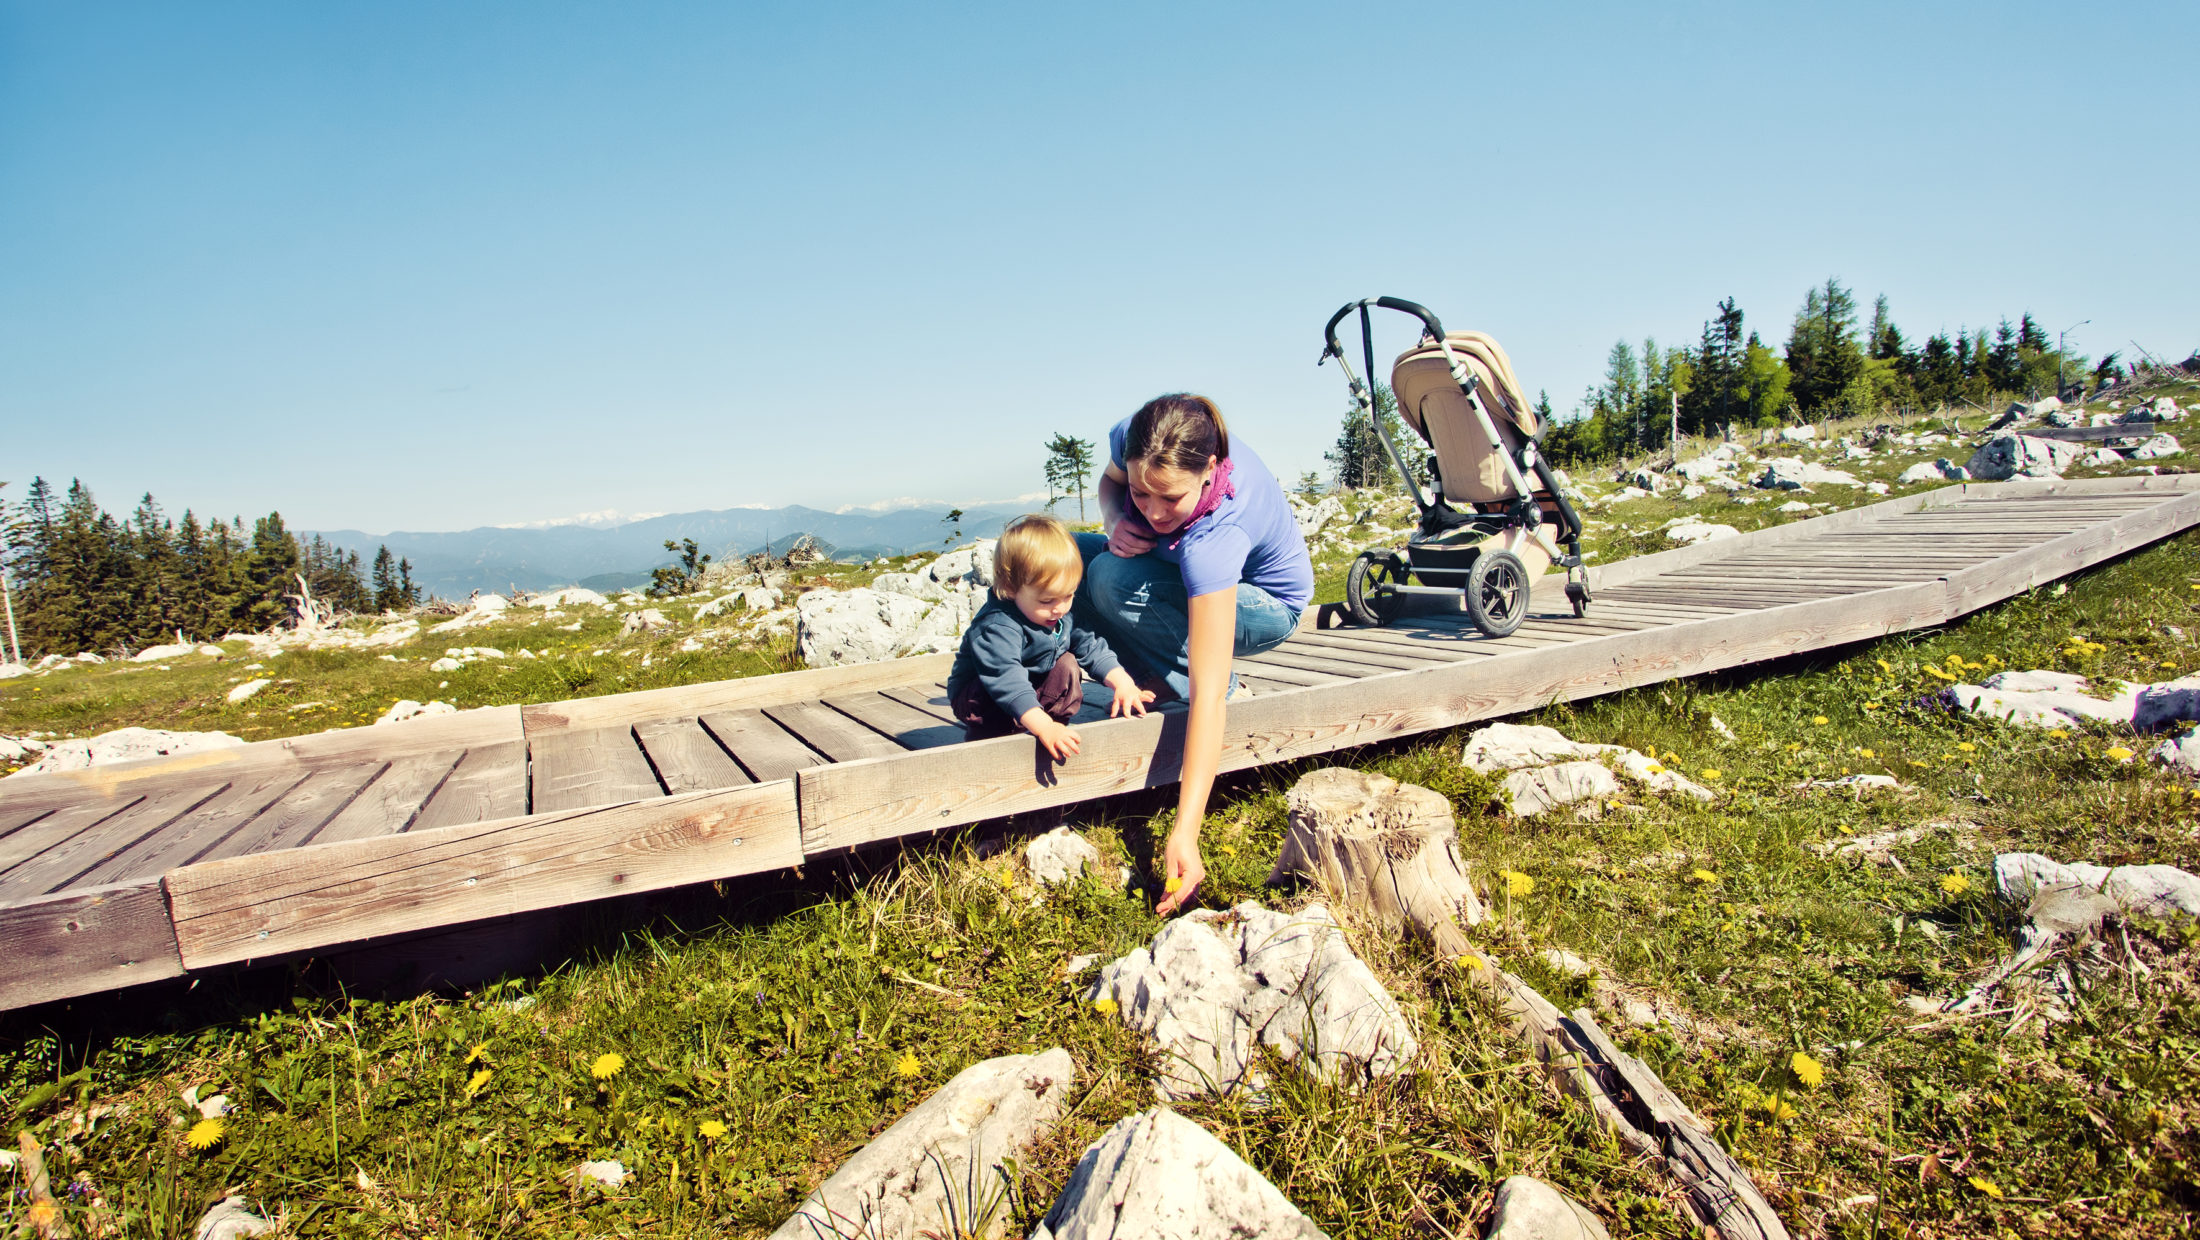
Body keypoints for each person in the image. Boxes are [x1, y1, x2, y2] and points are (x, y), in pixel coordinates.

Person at [1075, 393, 1314, 915]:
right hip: (1178, 572)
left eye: (1171, 499)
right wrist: (1117, 516)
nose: (1155, 512)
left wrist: (1185, 832)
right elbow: (1110, 483)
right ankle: (1100, 679)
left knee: (1112, 579)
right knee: (1063, 558)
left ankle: (1205, 677)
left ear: (1209, 470)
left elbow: (1206, 701)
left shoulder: (1217, 534)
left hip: (1263, 604)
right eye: (1144, 493)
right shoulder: (1138, 434)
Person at [946, 514, 1155, 759]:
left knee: (1067, 663)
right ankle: (997, 737)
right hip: (983, 698)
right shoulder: (998, 625)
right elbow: (1006, 680)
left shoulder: (1058, 613)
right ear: (1011, 588)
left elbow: (1091, 646)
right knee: (997, 698)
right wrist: (1042, 726)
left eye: (1068, 596)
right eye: (1047, 600)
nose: (1059, 608)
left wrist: (1124, 683)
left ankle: (1052, 724)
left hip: (1030, 684)